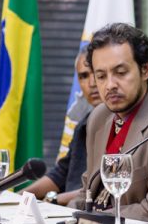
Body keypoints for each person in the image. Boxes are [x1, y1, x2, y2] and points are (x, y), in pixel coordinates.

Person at [69, 23, 148, 222]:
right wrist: (65, 217)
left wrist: (93, 218)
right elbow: (87, 190)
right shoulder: (98, 117)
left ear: (145, 70)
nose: (110, 85)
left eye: (121, 73)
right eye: (101, 76)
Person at [23, 47, 101, 206]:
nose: (92, 83)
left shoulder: (120, 123)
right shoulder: (84, 122)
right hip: (67, 207)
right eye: (83, 76)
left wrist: (52, 200)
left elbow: (103, 188)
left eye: (97, 74)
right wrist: (19, 197)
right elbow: (61, 173)